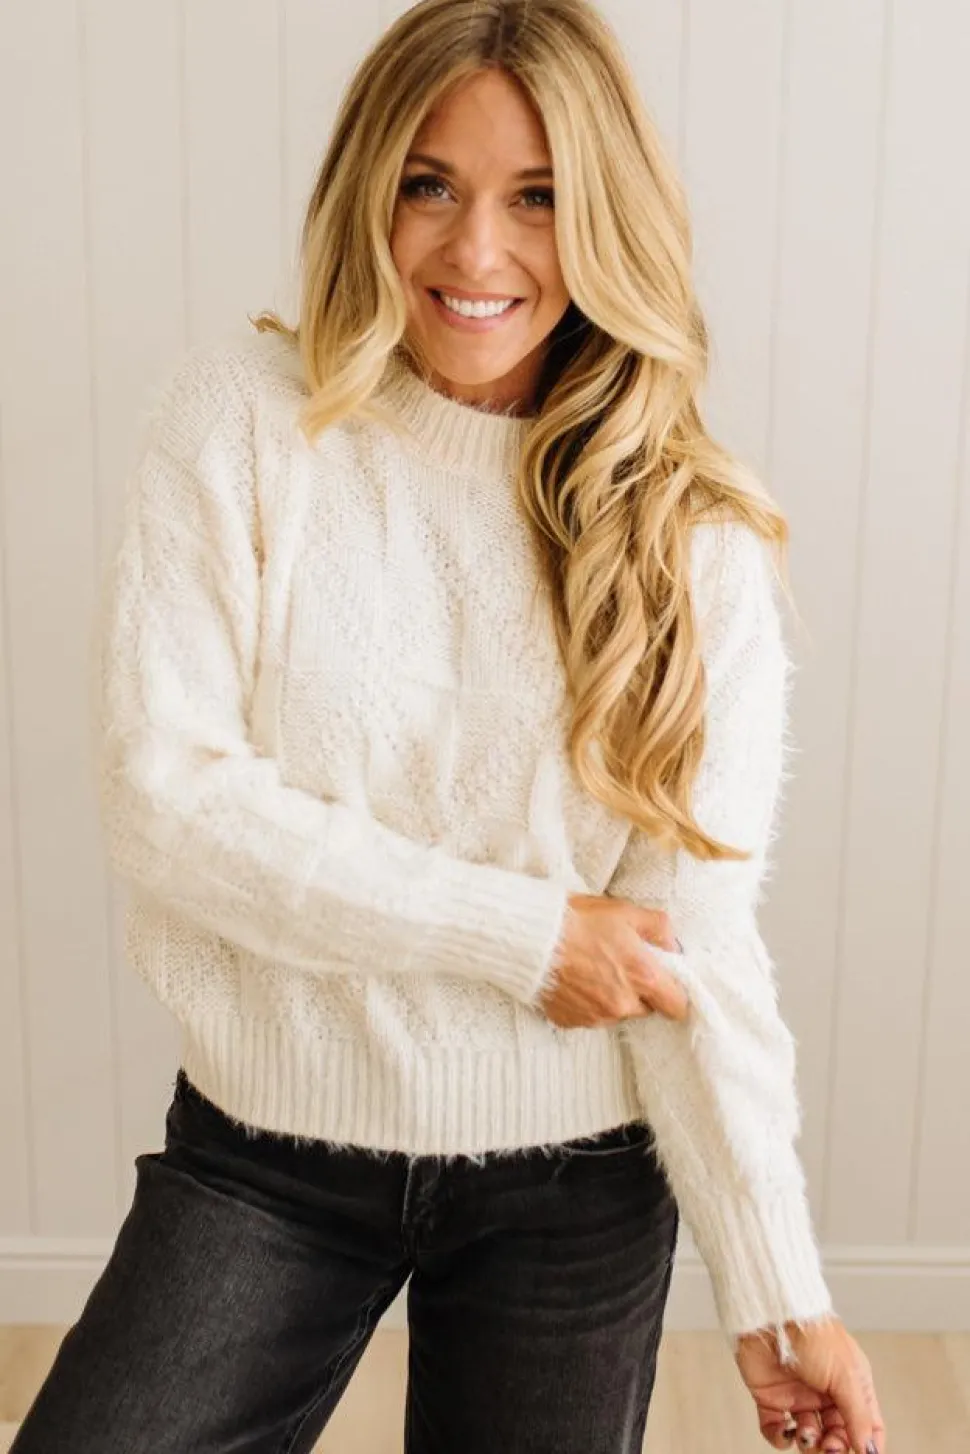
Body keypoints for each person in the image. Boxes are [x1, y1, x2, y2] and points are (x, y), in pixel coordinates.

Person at [12, 2, 886, 1452]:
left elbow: (689, 945)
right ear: (368, 187)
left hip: (573, 1184)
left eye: (536, 197)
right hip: (267, 1151)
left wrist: (779, 1293)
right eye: (431, 183)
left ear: (605, 217)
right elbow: (168, 802)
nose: (476, 251)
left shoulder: (689, 535)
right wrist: (524, 933)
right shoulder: (241, 421)